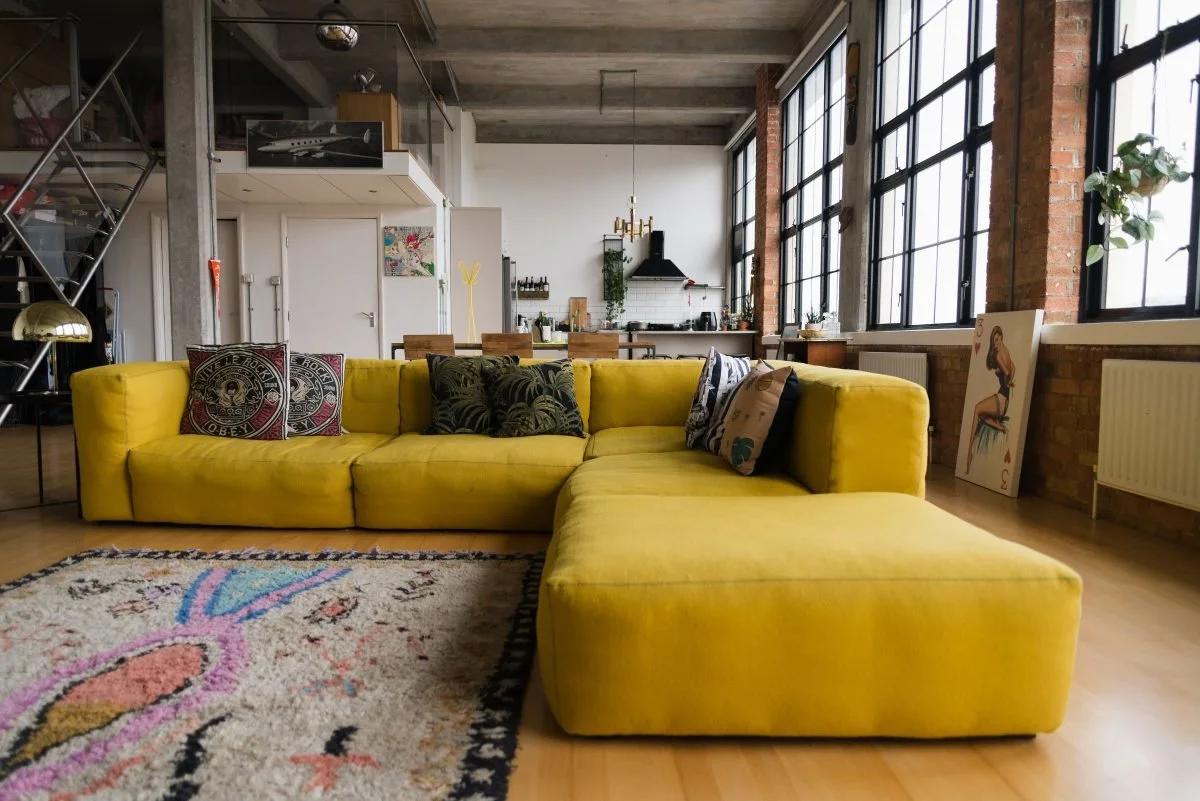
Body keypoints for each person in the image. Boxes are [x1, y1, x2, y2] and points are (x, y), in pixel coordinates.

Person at [966, 325, 1015, 475]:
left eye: (997, 340)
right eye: (994, 341)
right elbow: (1012, 370)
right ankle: (997, 425)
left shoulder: (999, 355)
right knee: (981, 414)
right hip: (1004, 401)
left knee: (976, 409)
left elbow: (1006, 373)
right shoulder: (1007, 352)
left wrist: (1007, 380)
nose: (996, 344)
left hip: (1001, 400)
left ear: (1001, 338)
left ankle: (969, 452)